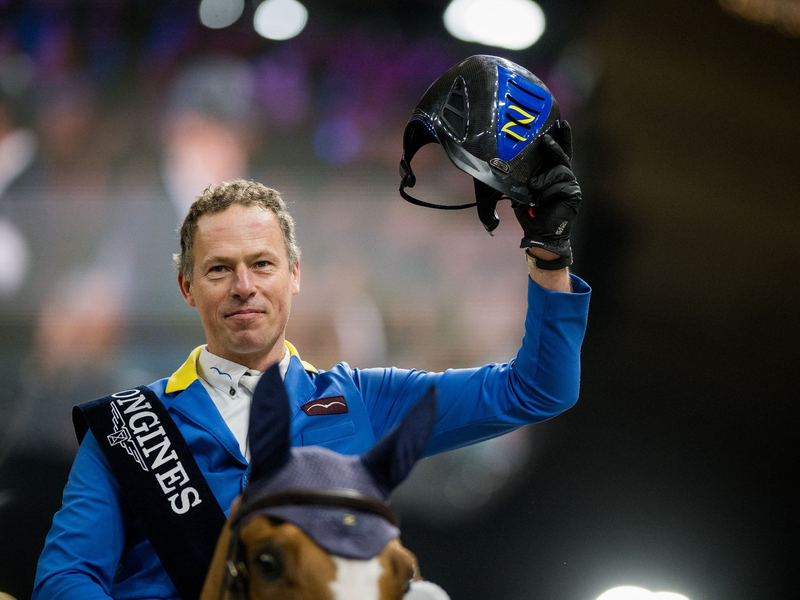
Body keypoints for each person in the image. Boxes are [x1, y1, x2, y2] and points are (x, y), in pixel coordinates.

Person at [33, 170, 590, 599]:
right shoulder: (125, 426)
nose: (243, 286)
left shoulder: (366, 400)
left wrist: (549, 254)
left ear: (295, 276)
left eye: (262, 264)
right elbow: (65, 581)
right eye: (219, 269)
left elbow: (538, 389)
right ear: (186, 287)